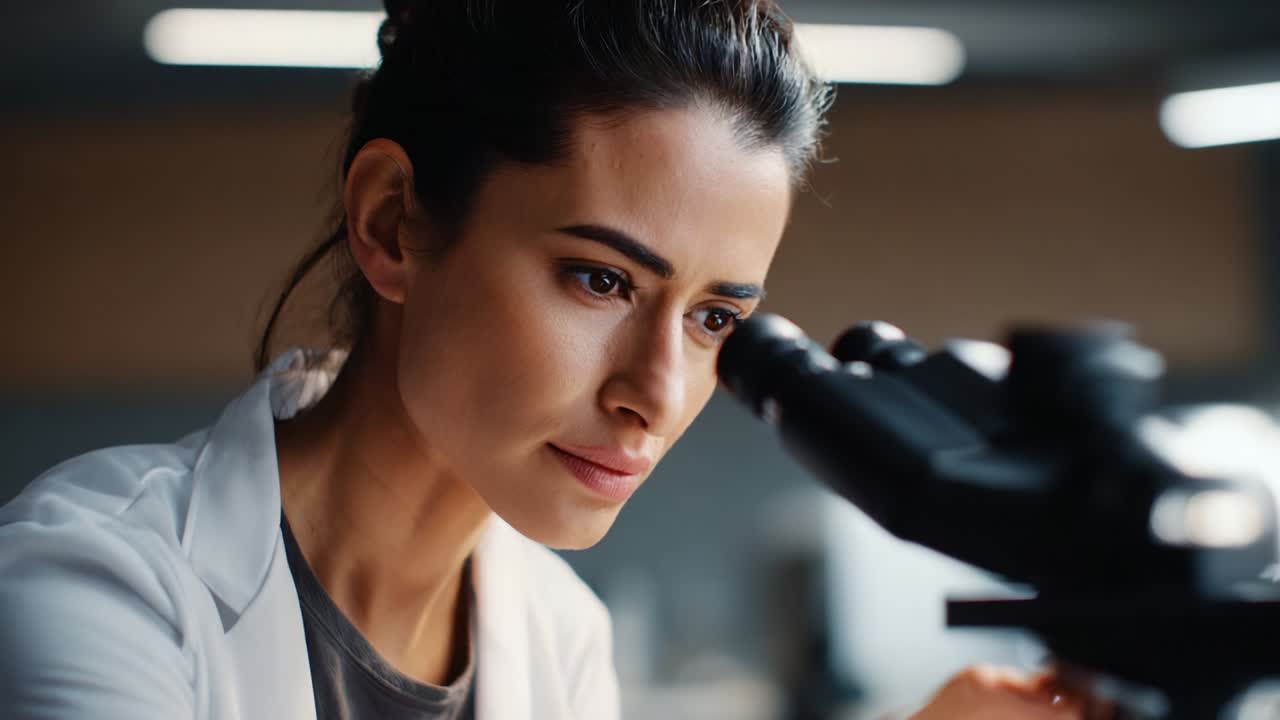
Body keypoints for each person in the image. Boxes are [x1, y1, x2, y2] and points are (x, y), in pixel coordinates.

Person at [0, 2, 1097, 718]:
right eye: (601, 281)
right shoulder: (98, 591)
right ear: (392, 225)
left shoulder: (557, 638)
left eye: (715, 319)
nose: (655, 397)